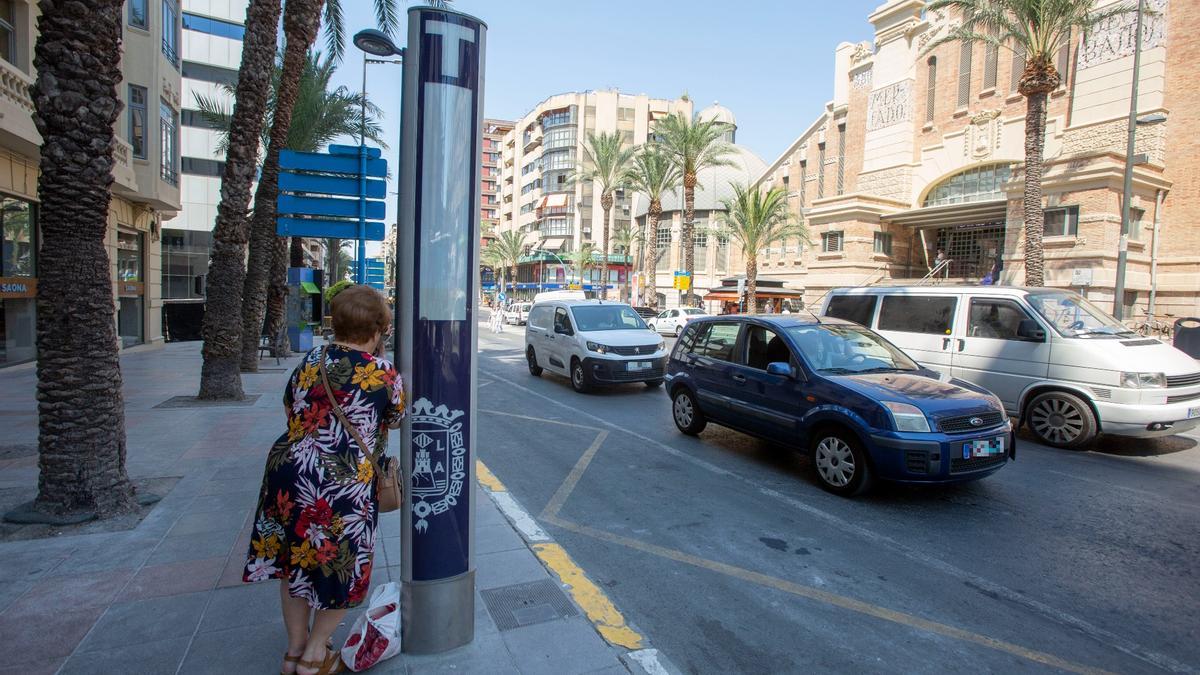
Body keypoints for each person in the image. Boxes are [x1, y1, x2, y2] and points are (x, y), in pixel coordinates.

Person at [243, 285, 405, 675]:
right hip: (341, 483)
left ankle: (293, 651)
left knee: (295, 563)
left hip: (287, 473)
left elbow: (290, 406)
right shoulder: (383, 373)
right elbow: (396, 417)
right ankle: (316, 654)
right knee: (340, 567)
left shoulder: (310, 359)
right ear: (380, 328)